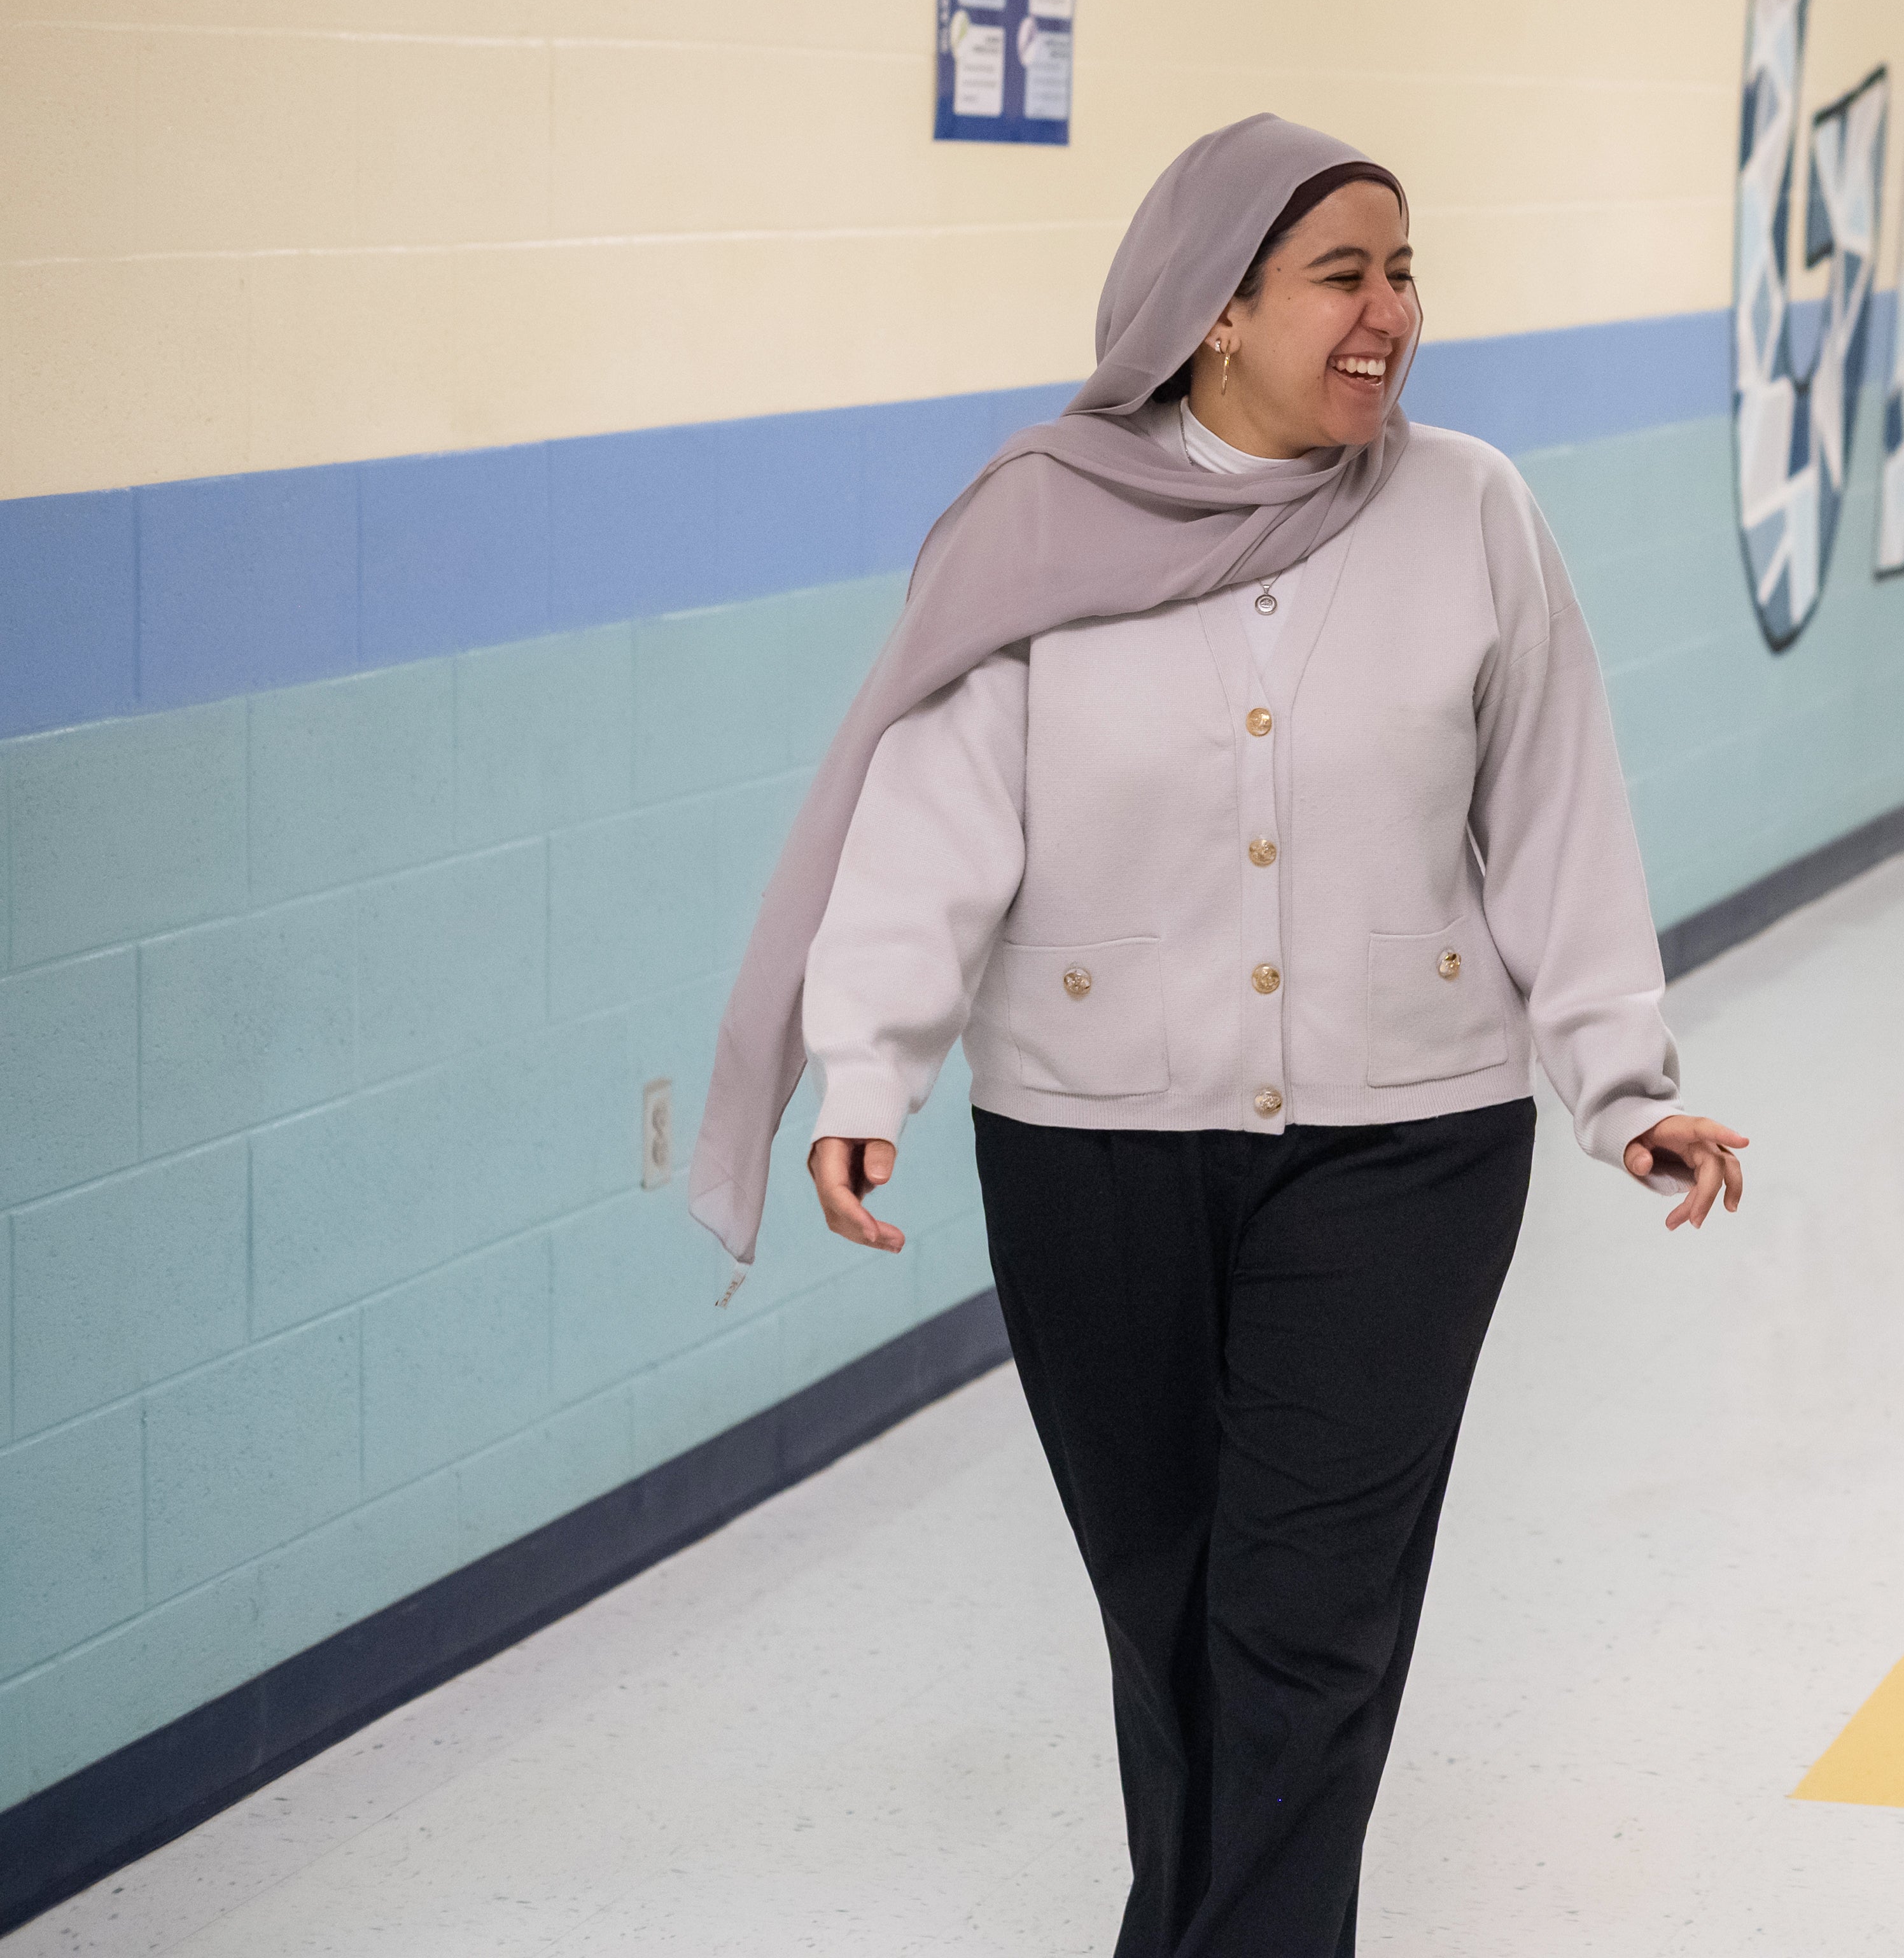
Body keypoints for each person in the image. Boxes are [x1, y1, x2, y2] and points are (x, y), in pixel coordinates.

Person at [689, 114, 1746, 1958]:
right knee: (1170, 1610)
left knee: (1308, 1622)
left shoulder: (1471, 509)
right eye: (1345, 273)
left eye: (1404, 271)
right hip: (1090, 1146)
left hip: (1409, 1146)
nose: (1391, 314)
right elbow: (938, 816)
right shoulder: (1041, 521)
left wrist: (1622, 1082)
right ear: (1214, 310)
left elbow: (1558, 815)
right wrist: (870, 1065)